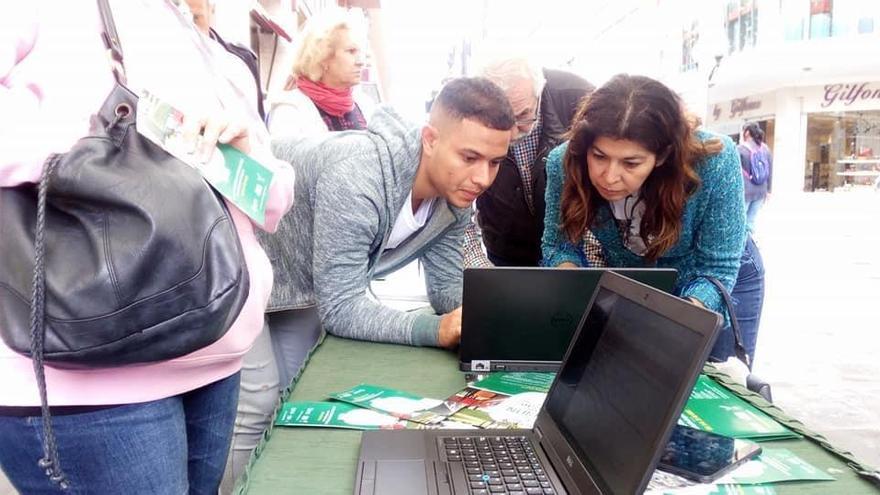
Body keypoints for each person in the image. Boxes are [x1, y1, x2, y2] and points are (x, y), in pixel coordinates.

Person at [0, 2, 294, 493]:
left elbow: (273, 202)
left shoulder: (203, 41)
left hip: (212, 347)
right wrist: (109, 143)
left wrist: (239, 155)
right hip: (87, 369)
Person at [542, 74, 764, 365]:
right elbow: (558, 245)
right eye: (599, 156)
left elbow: (717, 267)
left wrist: (676, 322)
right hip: (639, 280)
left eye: (631, 163)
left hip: (720, 277)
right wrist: (574, 289)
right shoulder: (566, 161)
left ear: (662, 155)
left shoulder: (715, 161)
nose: (609, 177)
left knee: (703, 380)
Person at [465, 57, 594, 267]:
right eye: (502, 117)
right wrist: (481, 269)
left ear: (539, 91)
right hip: (504, 247)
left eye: (524, 114)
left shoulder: (578, 97)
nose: (513, 132)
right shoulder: (466, 110)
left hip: (570, 245)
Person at [266, 8, 373, 135]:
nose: (360, 61)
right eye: (351, 51)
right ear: (323, 58)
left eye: (360, 52)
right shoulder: (289, 111)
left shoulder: (365, 105)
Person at [739, 122, 772, 233]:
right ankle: (749, 246)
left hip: (745, 192)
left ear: (747, 132)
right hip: (761, 191)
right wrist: (768, 191)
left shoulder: (740, 149)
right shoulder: (765, 149)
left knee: (740, 222)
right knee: (751, 221)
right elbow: (770, 170)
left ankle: (742, 248)